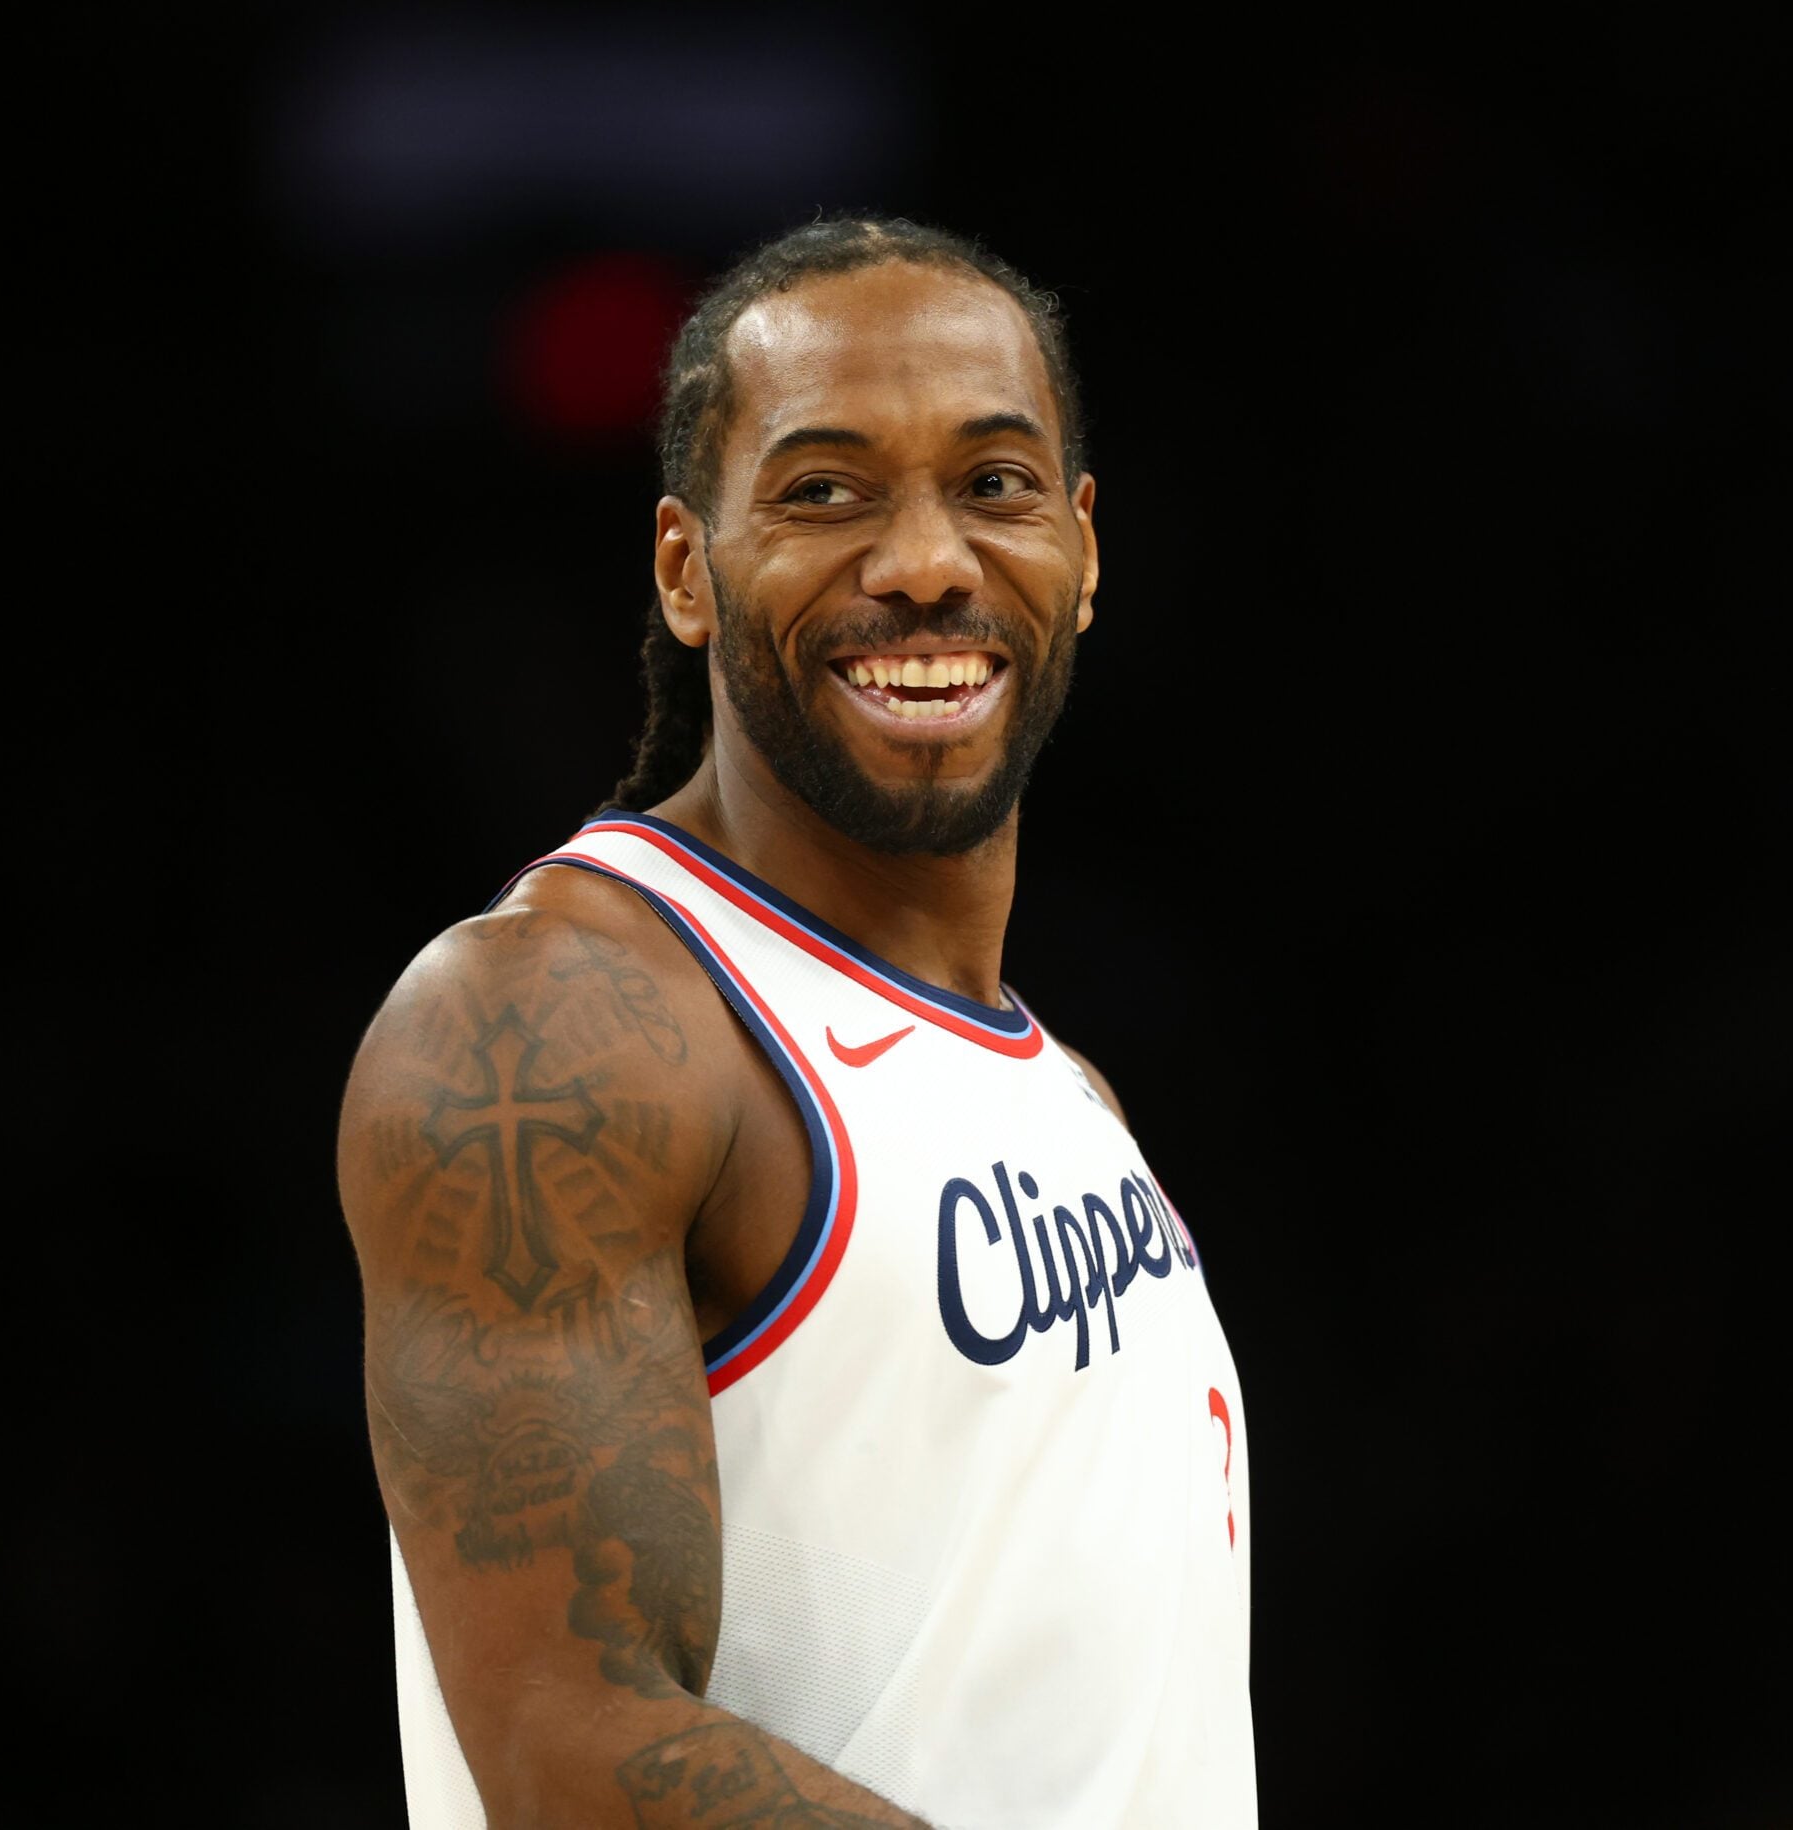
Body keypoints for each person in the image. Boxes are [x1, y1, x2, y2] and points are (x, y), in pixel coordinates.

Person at [337, 217, 1253, 1829]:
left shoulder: (1073, 1098)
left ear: (1085, 553)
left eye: (995, 484)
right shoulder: (555, 1017)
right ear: (689, 574)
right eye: (826, 490)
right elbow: (572, 1748)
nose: (924, 561)